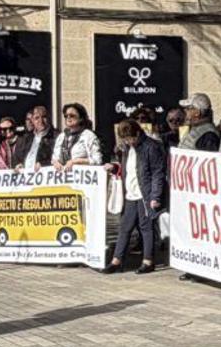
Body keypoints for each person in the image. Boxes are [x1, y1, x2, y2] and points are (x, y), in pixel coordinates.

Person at [104, 119, 166, 275]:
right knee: (125, 227)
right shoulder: (127, 148)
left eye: (130, 138)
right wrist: (115, 168)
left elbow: (158, 173)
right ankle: (117, 260)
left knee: (146, 227)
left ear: (138, 133)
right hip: (131, 193)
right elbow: (128, 168)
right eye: (125, 139)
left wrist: (155, 196)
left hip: (145, 193)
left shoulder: (151, 147)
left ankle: (148, 260)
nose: (128, 142)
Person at [53, 103, 103, 168]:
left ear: (81, 118)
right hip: (64, 173)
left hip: (83, 173)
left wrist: (76, 161)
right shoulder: (61, 137)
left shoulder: (89, 136)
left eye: (72, 115)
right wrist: (56, 163)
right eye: (66, 116)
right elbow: (55, 158)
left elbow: (98, 160)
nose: (68, 117)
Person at [12, 105, 57, 171]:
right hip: (25, 174)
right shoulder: (25, 138)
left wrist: (43, 164)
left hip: (43, 174)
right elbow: (16, 158)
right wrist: (18, 164)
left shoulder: (56, 137)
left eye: (44, 117)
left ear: (49, 118)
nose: (41, 121)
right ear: (32, 120)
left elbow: (58, 158)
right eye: (37, 118)